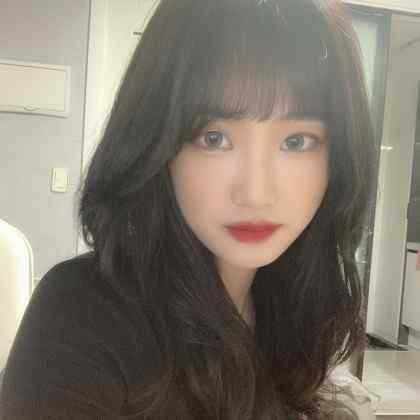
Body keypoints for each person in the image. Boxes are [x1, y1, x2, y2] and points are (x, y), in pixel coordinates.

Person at [0, 0, 375, 419]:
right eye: (214, 138)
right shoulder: (83, 315)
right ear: (158, 144)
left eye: (296, 141)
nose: (255, 193)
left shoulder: (291, 304)